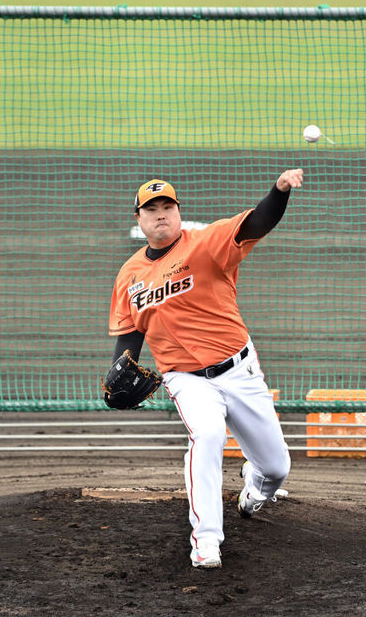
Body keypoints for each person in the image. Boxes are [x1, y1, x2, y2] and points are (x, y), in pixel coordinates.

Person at [107, 171, 302, 569]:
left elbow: (256, 222)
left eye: (167, 207)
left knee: (276, 468)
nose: (160, 215)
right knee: (208, 436)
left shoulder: (207, 243)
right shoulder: (129, 275)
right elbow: (129, 333)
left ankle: (254, 492)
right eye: (152, 209)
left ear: (178, 212)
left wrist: (278, 191)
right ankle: (206, 540)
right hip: (185, 378)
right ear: (139, 218)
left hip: (239, 369)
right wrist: (117, 372)